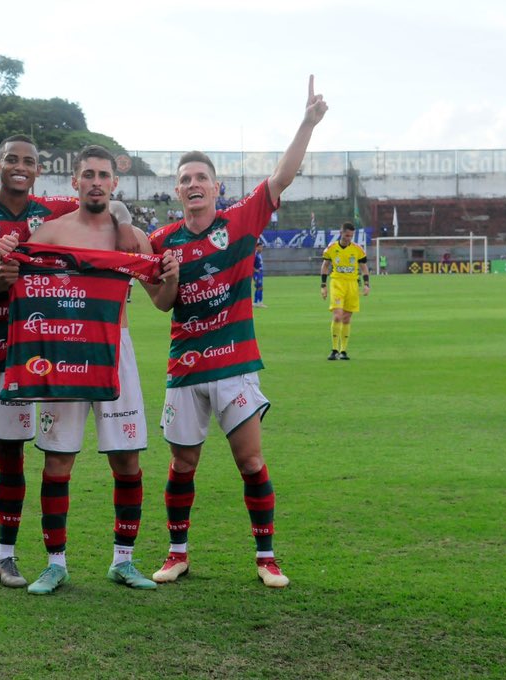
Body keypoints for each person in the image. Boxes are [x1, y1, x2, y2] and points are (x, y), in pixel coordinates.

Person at [0, 134, 139, 590]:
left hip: (22, 348)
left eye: (29, 162)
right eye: (12, 160)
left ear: (39, 171)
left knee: (11, 452)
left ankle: (6, 556)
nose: (20, 167)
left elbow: (100, 206)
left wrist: (121, 212)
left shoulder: (49, 209)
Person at [147, 75, 328, 589]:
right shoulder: (163, 241)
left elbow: (280, 178)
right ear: (178, 189)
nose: (194, 183)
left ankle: (266, 557)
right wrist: (171, 282)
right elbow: (162, 304)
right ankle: (176, 553)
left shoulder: (241, 221)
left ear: (215, 186)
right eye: (186, 178)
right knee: (183, 465)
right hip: (185, 368)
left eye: (202, 176)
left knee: (250, 460)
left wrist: (307, 123)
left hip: (234, 365)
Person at [0, 145, 177, 596]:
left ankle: (124, 560)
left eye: (103, 175)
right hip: (63, 353)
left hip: (117, 352)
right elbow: (16, 277)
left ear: (114, 183)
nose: (96, 181)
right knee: (57, 461)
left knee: (127, 458)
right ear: (74, 182)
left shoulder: (131, 237)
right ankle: (55, 564)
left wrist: (170, 274)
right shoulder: (52, 233)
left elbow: (161, 300)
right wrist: (5, 252)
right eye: (88, 174)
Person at [320, 222, 370, 361]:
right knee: (337, 316)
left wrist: (366, 284)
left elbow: (364, 268)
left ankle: (343, 351)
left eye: (351, 236)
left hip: (352, 285)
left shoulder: (357, 249)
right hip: (337, 283)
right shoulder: (331, 248)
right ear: (341, 233)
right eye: (347, 235)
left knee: (347, 318)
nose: (349, 238)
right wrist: (323, 285)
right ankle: (334, 349)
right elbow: (325, 267)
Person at [252, 240, 266, 308]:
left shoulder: (259, 255)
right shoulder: (255, 255)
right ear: (256, 247)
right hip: (257, 273)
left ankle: (256, 302)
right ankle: (258, 303)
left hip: (260, 273)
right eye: (260, 247)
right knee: (259, 287)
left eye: (262, 247)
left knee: (259, 287)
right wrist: (255, 270)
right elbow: (251, 264)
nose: (261, 248)